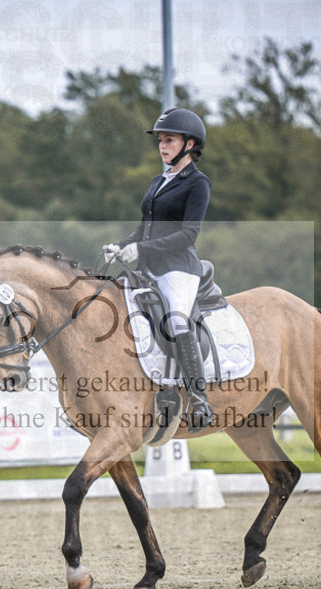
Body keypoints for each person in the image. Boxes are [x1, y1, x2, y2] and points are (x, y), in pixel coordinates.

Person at [103, 107, 215, 432]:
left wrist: (141, 249)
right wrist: (121, 245)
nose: (162, 146)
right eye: (160, 141)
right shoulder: (158, 181)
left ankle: (199, 399)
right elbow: (144, 229)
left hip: (178, 270)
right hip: (148, 268)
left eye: (169, 140)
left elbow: (188, 235)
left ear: (189, 144)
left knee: (177, 322)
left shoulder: (198, 183)